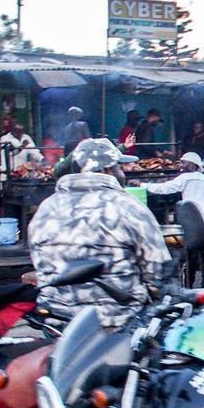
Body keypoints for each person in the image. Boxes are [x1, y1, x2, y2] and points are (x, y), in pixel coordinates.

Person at [28, 138, 171, 329]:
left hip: (57, 320)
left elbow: (39, 262)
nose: (123, 172)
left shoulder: (46, 207)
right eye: (119, 167)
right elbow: (156, 276)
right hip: (118, 322)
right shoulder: (129, 207)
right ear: (106, 170)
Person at [139, 151, 204, 288]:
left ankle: (189, 285)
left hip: (190, 225)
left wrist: (143, 185)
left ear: (192, 165)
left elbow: (164, 188)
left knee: (190, 255)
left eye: (184, 163)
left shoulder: (185, 178)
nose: (181, 165)